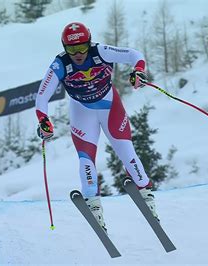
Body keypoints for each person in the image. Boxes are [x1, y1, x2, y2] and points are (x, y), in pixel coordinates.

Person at [35, 22, 158, 231]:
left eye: (82, 47)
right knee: (85, 158)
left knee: (128, 153)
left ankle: (146, 195)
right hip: (82, 112)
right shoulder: (60, 64)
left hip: (110, 107)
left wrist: (138, 71)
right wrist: (43, 121)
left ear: (89, 43)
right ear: (64, 47)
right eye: (72, 49)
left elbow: (134, 54)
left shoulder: (100, 51)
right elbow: (41, 98)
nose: (78, 53)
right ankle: (93, 203)